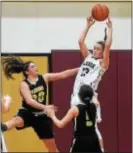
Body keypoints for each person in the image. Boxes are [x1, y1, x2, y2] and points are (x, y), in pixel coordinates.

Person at [2, 56, 78, 152]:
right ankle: (3, 127)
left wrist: (79, 69)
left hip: (41, 115)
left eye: (35, 66)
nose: (36, 67)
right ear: (27, 72)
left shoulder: (44, 77)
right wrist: (45, 107)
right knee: (17, 120)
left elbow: (63, 74)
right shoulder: (24, 84)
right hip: (27, 112)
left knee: (52, 147)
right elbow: (29, 101)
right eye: (33, 67)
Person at [70, 16, 113, 152]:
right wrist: (88, 25)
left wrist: (110, 28)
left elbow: (108, 46)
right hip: (76, 95)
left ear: (102, 52)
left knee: (92, 128)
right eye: (94, 48)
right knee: (79, 127)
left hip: (88, 97)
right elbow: (80, 41)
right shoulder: (88, 57)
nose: (94, 50)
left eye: (97, 49)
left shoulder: (102, 64)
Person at [47, 85, 102, 152]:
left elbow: (60, 124)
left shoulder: (75, 109)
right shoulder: (94, 106)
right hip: (94, 140)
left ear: (79, 96)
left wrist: (52, 115)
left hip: (80, 141)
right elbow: (95, 100)